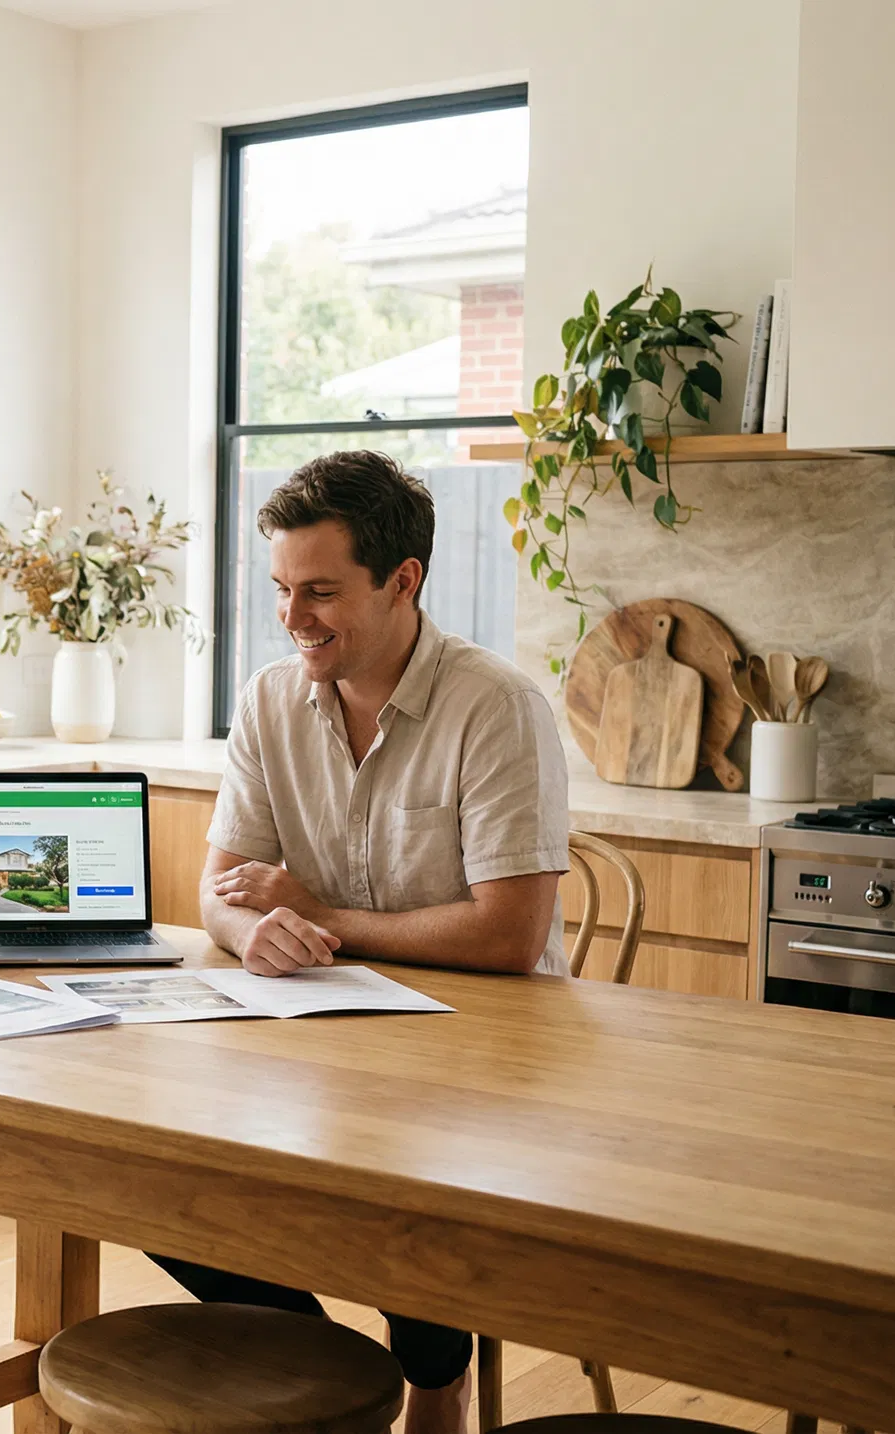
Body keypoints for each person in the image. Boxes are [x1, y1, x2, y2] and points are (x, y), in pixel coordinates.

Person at [149, 450, 569, 1434]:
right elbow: (218, 894)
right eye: (283, 591)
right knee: (158, 1182)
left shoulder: (495, 708)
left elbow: (509, 935)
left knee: (416, 1198)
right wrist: (258, 931)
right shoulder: (266, 700)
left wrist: (317, 914)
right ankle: (338, 1375)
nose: (294, 620)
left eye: (322, 593)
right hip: (316, 1041)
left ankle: (431, 1384)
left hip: (488, 1053)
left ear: (403, 581)